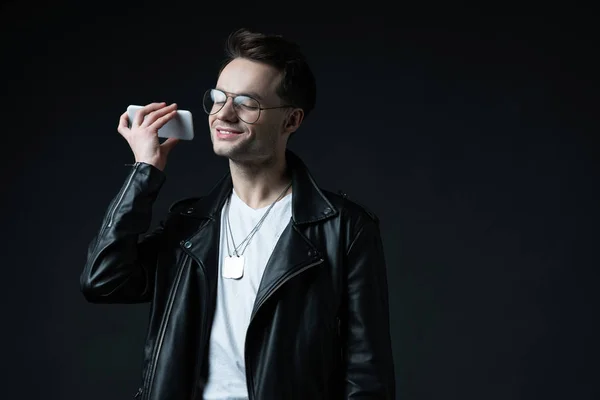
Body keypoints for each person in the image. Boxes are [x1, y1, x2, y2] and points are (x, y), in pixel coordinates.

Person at [80, 28, 395, 400]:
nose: (224, 114)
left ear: (291, 121)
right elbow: (104, 280)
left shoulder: (342, 228)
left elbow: (367, 376)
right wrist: (144, 173)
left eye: (247, 103)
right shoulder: (190, 225)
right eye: (218, 98)